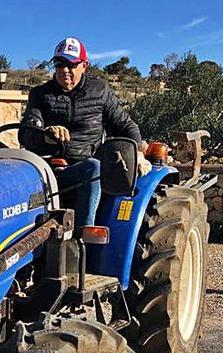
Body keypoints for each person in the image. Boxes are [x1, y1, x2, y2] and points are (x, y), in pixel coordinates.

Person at [19, 37, 150, 227]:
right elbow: (25, 133)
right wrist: (45, 135)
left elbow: (126, 126)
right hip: (47, 169)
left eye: (72, 64)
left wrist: (137, 152)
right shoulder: (40, 94)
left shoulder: (99, 91)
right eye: (59, 63)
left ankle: (82, 236)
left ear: (84, 65)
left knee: (93, 168)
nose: (65, 70)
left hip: (88, 169)